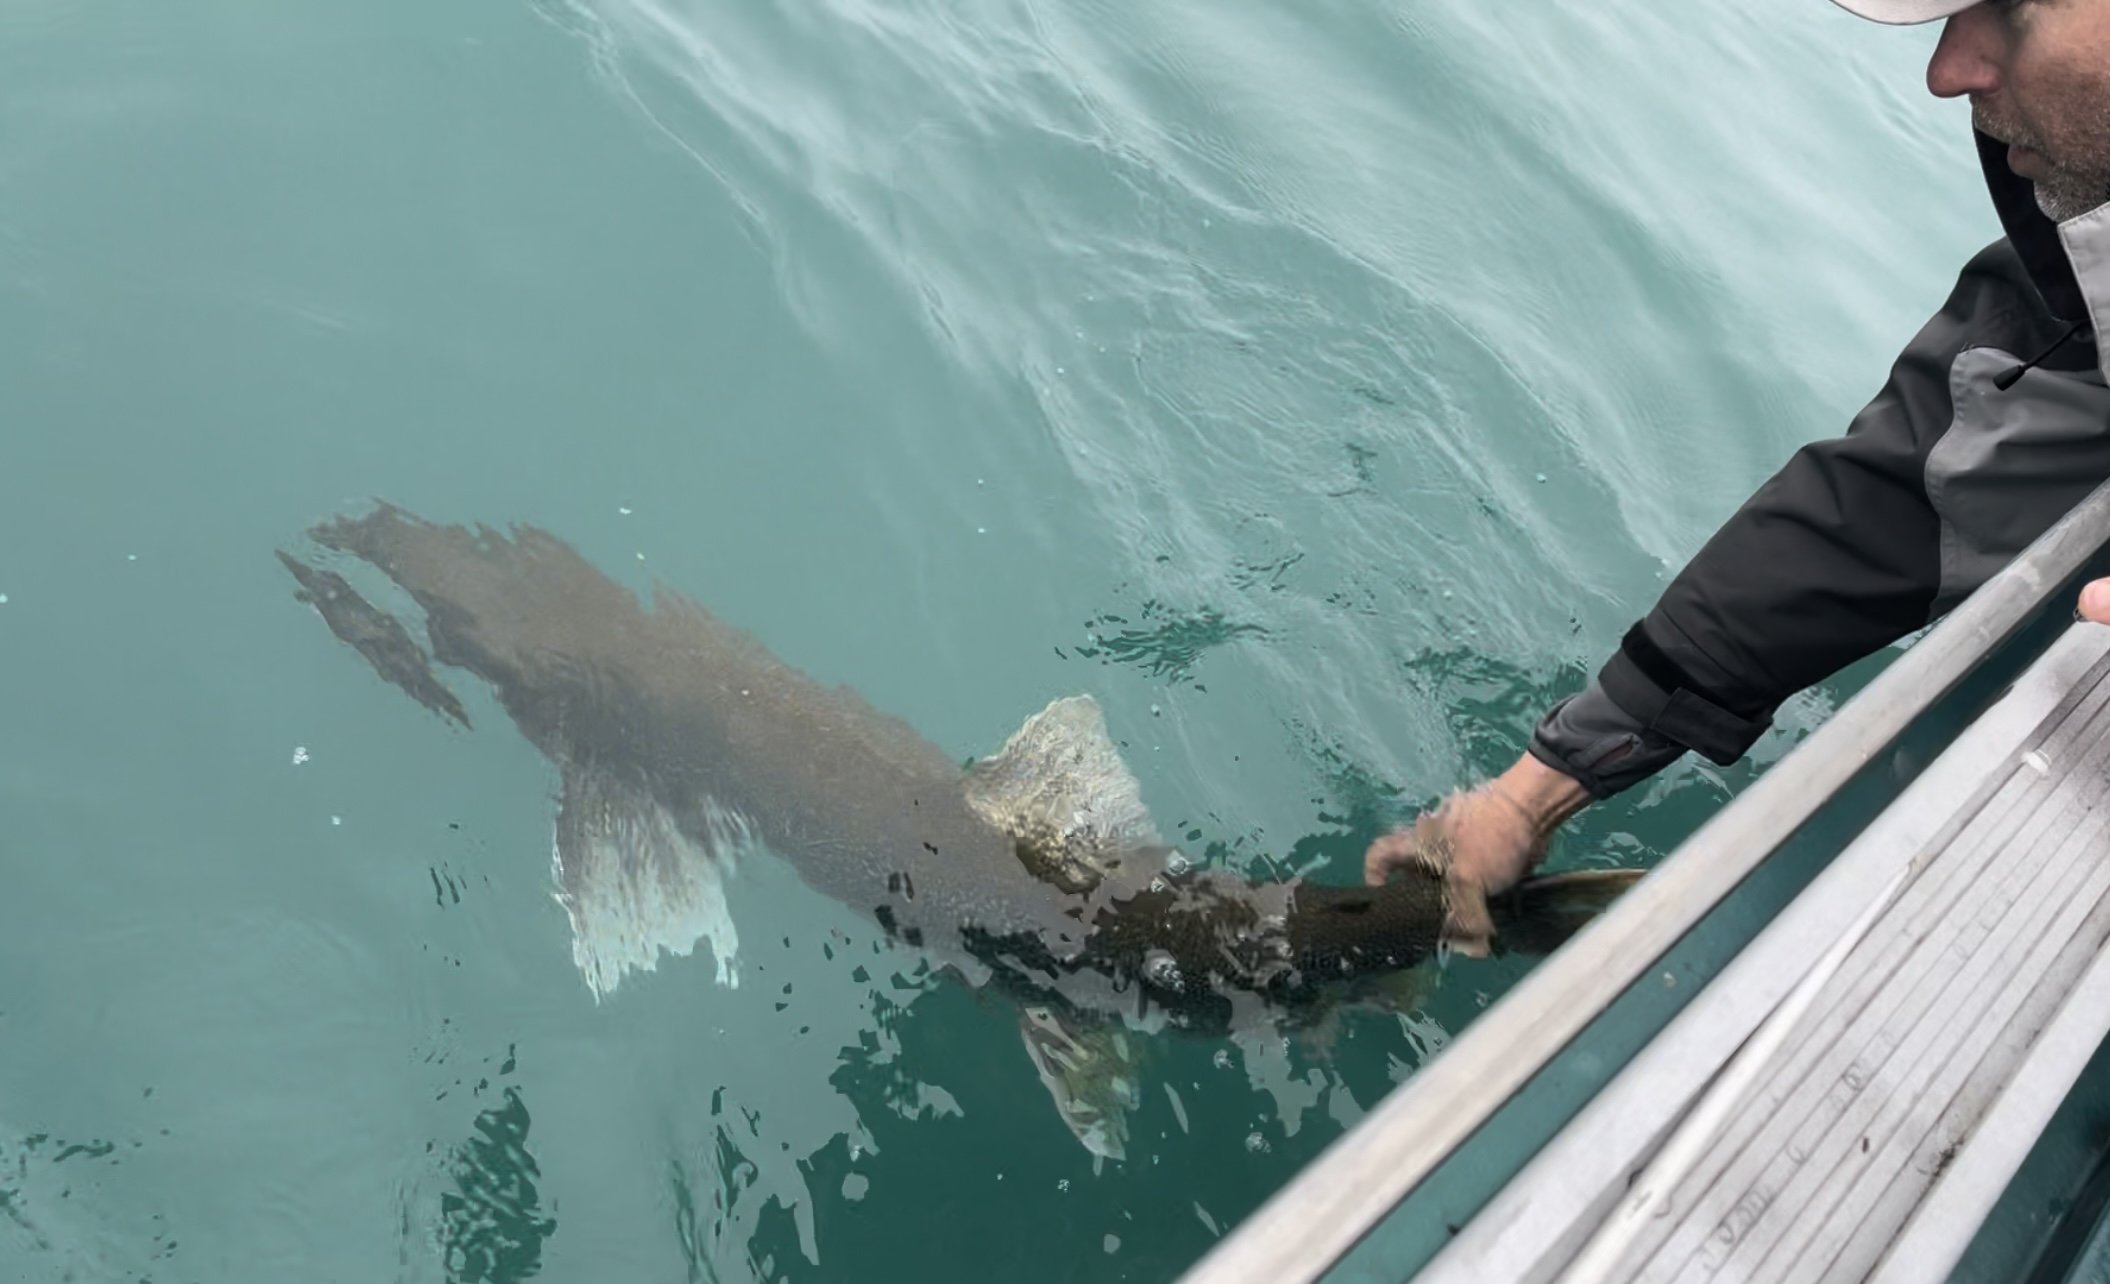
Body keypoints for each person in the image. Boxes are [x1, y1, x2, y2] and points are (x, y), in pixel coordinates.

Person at [1366, 0, 2110, 954]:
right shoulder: (2078, 279)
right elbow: (1902, 498)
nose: (1947, 70)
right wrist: (1530, 794)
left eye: (2008, 10)